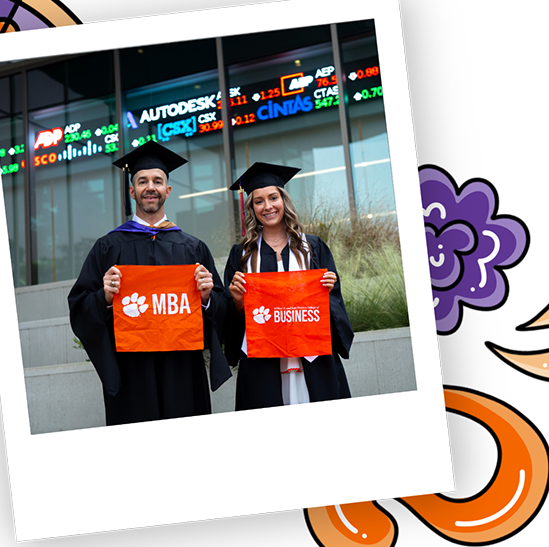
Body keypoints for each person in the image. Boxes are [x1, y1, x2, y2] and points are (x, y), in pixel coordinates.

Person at [68, 141, 232, 426]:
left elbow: (222, 309)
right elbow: (80, 305)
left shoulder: (192, 248)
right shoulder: (109, 247)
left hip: (181, 366)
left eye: (158, 180)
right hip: (132, 368)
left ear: (168, 190)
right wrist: (104, 297)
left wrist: (207, 297)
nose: (150, 187)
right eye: (142, 181)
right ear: (132, 191)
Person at [223, 162, 355, 410]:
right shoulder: (242, 254)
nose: (268, 206)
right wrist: (238, 301)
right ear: (251, 207)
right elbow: (231, 313)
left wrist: (327, 291)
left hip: (313, 358)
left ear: (284, 200)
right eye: (259, 201)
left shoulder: (312, 248)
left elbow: (333, 304)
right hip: (263, 362)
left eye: (273, 197)